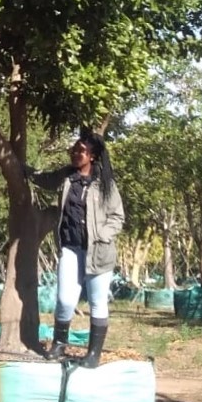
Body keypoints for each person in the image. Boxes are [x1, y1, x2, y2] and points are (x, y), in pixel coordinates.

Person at [26, 128, 124, 367]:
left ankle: (93, 354)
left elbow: (117, 217)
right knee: (65, 299)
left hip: (98, 253)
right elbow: (46, 180)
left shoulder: (105, 184)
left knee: (97, 302)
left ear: (92, 156)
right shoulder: (67, 177)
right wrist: (24, 169)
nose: (75, 153)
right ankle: (59, 344)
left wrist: (102, 235)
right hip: (70, 248)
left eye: (81, 151)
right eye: (74, 149)